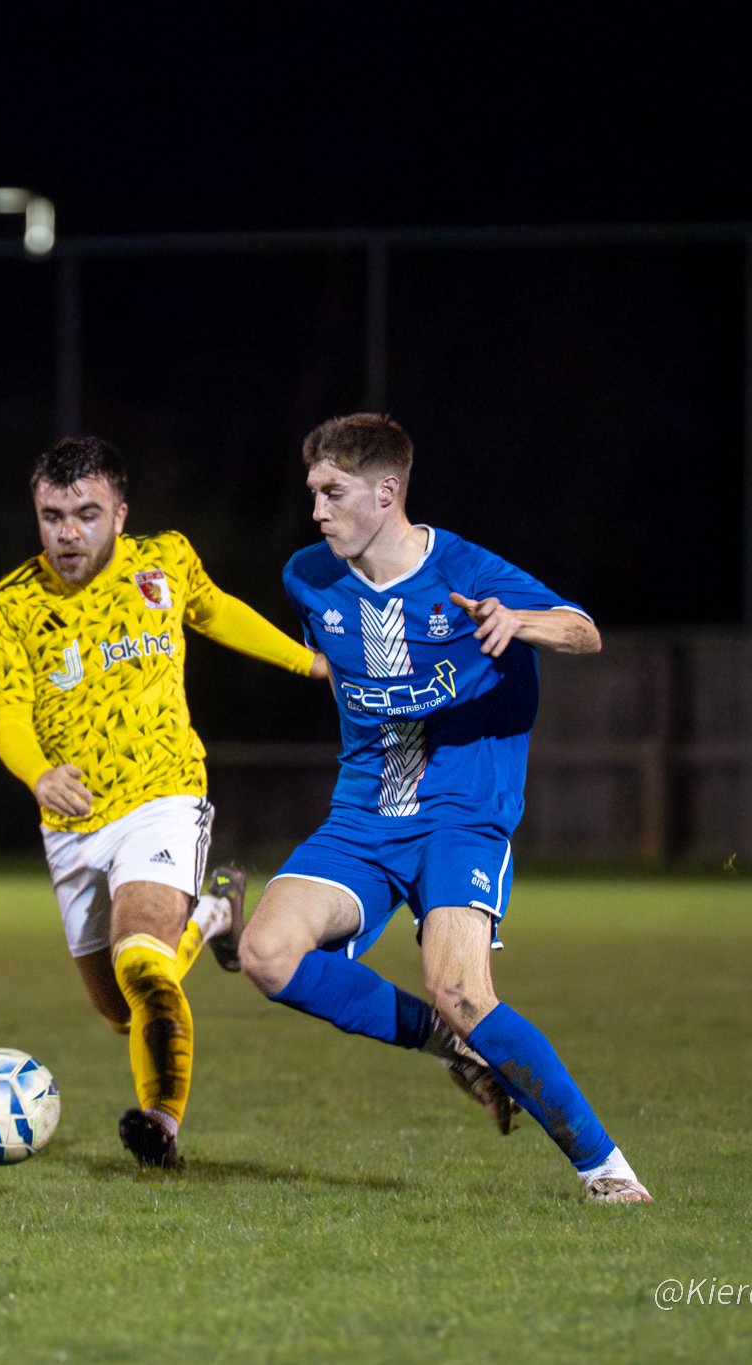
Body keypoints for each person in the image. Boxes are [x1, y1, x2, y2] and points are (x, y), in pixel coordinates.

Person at [237, 413, 652, 1203]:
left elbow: (584, 630)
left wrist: (516, 622)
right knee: (267, 953)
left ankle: (607, 1170)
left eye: (333, 492)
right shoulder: (308, 576)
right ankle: (452, 1048)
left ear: (387, 491)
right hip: (365, 812)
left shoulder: (464, 568)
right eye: (313, 493)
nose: (316, 510)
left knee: (462, 990)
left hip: (462, 813)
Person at [0, 436, 329, 1169]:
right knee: (119, 1010)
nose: (68, 532)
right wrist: (40, 773)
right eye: (52, 516)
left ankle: (159, 1126)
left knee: (144, 968)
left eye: (86, 513)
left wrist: (306, 659)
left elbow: (216, 609)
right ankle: (216, 912)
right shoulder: (9, 605)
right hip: (72, 825)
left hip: (162, 794)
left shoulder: (163, 560)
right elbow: (8, 711)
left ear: (121, 513)